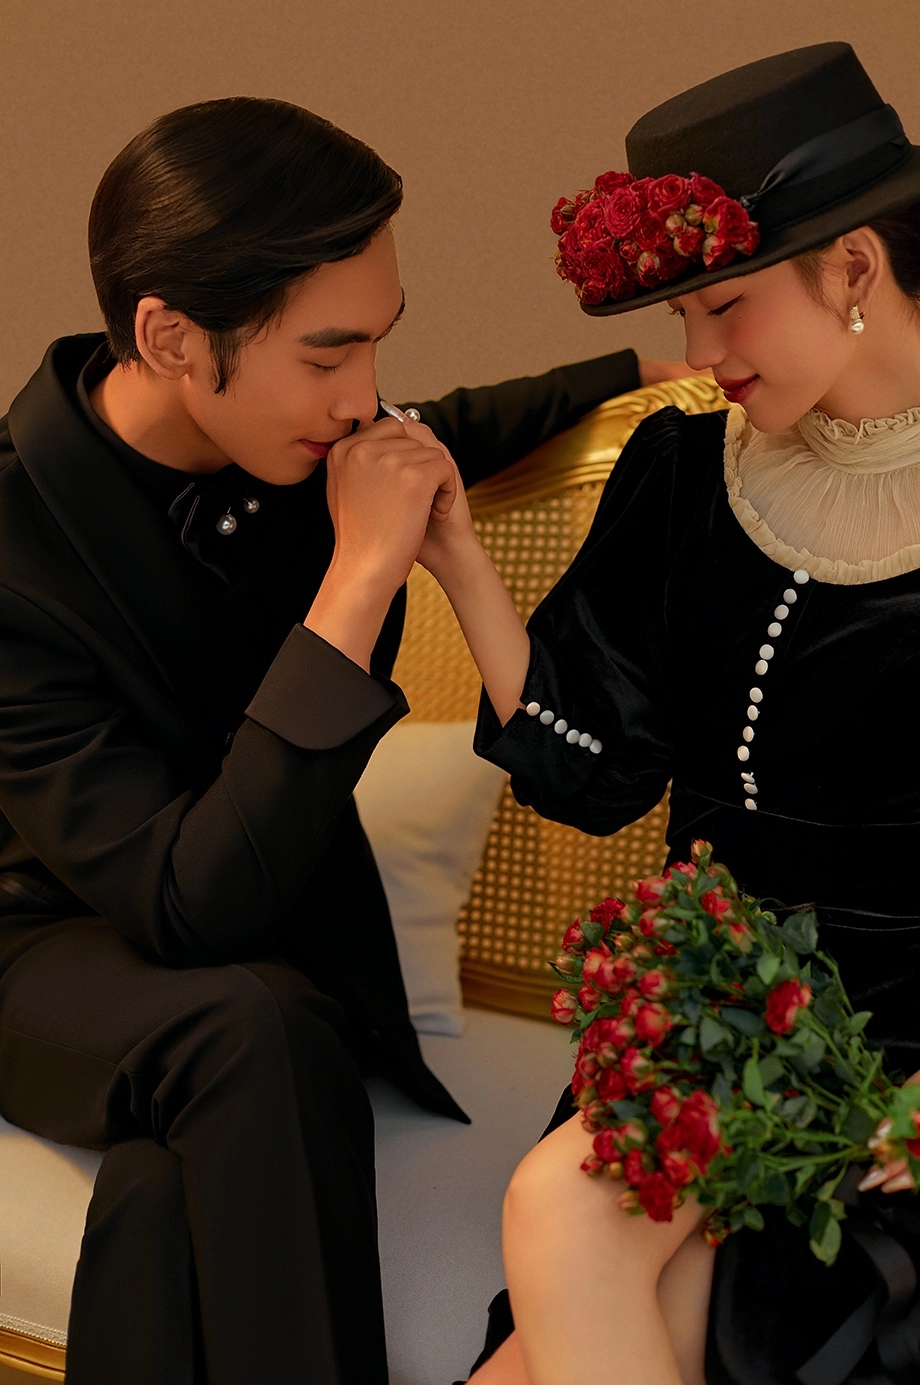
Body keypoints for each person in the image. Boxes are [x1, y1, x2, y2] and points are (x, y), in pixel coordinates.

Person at [0, 95, 687, 1385]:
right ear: (168, 335)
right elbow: (190, 909)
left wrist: (652, 378)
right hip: (46, 957)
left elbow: (462, 421)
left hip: (265, 968)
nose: (363, 397)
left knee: (172, 1172)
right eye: (327, 357)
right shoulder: (11, 550)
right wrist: (358, 579)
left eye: (379, 343)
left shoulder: (310, 438)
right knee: (259, 1026)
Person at [419, 41, 920, 1385]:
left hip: (902, 1064)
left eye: (727, 307)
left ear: (854, 268)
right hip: (716, 1018)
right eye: (685, 315)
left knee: (583, 1280)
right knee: (571, 1231)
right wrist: (460, 561)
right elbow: (599, 770)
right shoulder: (686, 468)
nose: (698, 357)